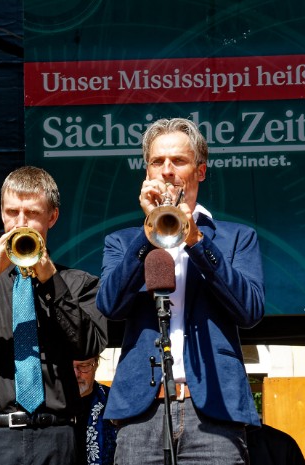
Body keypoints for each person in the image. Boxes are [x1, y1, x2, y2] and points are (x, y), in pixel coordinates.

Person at [96, 118, 265, 465]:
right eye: (158, 162)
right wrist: (147, 234)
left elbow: (249, 311)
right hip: (142, 412)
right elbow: (110, 305)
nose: (168, 170)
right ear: (146, 172)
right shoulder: (123, 241)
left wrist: (197, 242)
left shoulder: (236, 238)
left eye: (179, 161)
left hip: (214, 414)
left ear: (200, 171)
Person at [0, 166, 108, 465]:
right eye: (12, 212)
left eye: (32, 213)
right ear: (1, 213)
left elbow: (89, 345)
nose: (20, 223)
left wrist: (51, 281)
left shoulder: (78, 282)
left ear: (52, 217)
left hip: (56, 436)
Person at [73, 356, 116, 465]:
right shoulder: (50, 404)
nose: (76, 374)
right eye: (69, 367)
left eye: (83, 366)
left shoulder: (114, 400)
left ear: (96, 364)